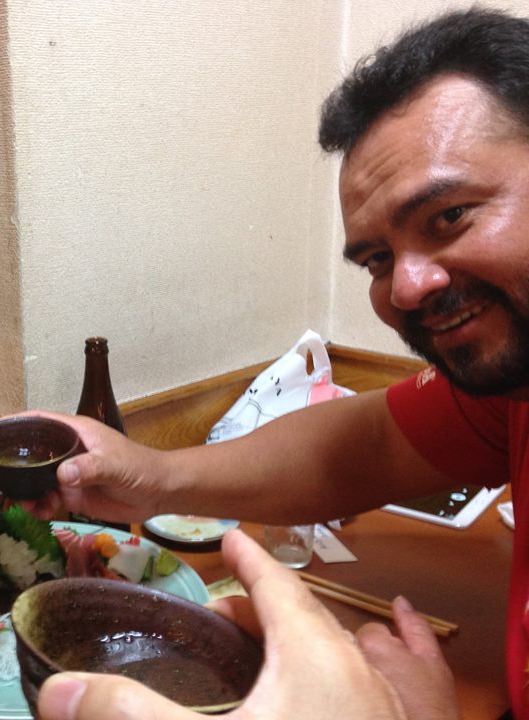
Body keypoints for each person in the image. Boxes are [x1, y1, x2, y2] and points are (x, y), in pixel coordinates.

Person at [30, 7, 529, 720]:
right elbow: (369, 445)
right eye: (377, 259)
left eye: (450, 215)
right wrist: (155, 480)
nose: (406, 288)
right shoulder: (511, 392)